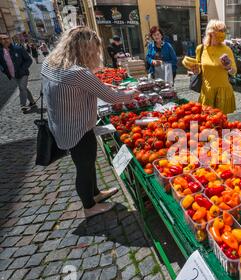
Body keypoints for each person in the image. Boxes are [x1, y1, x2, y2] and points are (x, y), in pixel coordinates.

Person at [41, 26, 138, 217]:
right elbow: (111, 97)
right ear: (86, 49)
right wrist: (131, 94)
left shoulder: (49, 64)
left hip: (60, 124)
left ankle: (95, 193)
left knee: (88, 161)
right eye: (94, 49)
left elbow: (81, 88)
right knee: (84, 167)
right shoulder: (77, 73)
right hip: (78, 128)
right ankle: (89, 207)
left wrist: (101, 86)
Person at [182, 20, 237, 115]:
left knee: (221, 122)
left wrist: (228, 67)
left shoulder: (227, 49)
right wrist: (194, 70)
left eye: (224, 31)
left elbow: (234, 72)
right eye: (220, 30)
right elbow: (199, 68)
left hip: (223, 90)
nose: (223, 34)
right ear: (211, 32)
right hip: (207, 91)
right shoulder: (201, 48)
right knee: (206, 120)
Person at [0, 33, 37, 113]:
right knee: (24, 88)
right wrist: (3, 70)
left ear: (9, 39)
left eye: (6, 38)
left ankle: (23, 105)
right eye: (2, 39)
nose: (4, 40)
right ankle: (32, 102)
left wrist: (22, 69)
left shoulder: (18, 49)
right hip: (13, 74)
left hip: (23, 73)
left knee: (21, 87)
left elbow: (29, 60)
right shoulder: (0, 52)